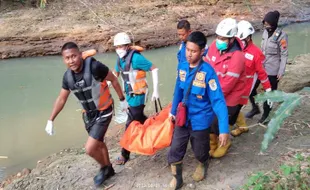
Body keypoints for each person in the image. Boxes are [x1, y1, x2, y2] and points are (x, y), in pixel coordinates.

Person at [44, 42, 128, 187]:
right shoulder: (67, 77)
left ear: (80, 54)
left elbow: (113, 79)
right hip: (88, 115)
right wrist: (50, 120)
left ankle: (104, 168)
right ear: (64, 59)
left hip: (104, 111)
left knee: (90, 148)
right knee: (99, 143)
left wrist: (122, 100)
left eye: (74, 56)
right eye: (67, 58)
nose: (71, 61)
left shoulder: (95, 67)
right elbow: (61, 98)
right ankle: (110, 169)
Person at [168, 31, 229, 189]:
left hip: (201, 119)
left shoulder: (208, 73)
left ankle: (203, 163)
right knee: (175, 147)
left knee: (200, 150)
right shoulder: (181, 67)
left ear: (202, 51)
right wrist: (173, 111)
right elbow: (178, 91)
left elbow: (218, 101)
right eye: (187, 50)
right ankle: (177, 178)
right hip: (183, 117)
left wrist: (223, 129)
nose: (189, 54)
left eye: (193, 51)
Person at [112, 32, 160, 165]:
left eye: (121, 46)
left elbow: (154, 69)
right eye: (117, 47)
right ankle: (157, 130)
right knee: (140, 119)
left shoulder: (137, 58)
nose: (119, 49)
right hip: (129, 95)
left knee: (130, 124)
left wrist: (156, 90)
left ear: (128, 46)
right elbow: (115, 73)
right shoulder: (120, 59)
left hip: (139, 95)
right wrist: (108, 82)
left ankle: (124, 154)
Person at [206, 18, 246, 158]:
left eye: (223, 38)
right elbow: (207, 65)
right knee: (210, 121)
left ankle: (225, 143)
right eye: (218, 37)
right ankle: (213, 144)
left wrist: (209, 95)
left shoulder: (238, 57)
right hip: (214, 91)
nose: (219, 40)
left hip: (231, 97)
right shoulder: (214, 47)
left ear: (231, 39)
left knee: (221, 122)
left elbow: (228, 84)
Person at [232, 20, 272, 136]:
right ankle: (241, 124)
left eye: (241, 39)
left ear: (248, 38)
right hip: (235, 82)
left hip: (247, 83)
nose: (239, 42)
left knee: (236, 105)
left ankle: (240, 125)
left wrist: (268, 90)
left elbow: (262, 74)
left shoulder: (256, 53)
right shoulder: (236, 47)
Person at [247, 10, 288, 123]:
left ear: (274, 23)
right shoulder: (265, 33)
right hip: (260, 67)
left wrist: (281, 71)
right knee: (251, 88)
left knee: (269, 94)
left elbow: (284, 54)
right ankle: (255, 108)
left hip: (272, 70)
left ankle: (265, 115)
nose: (266, 25)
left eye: (268, 23)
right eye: (265, 23)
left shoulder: (282, 36)